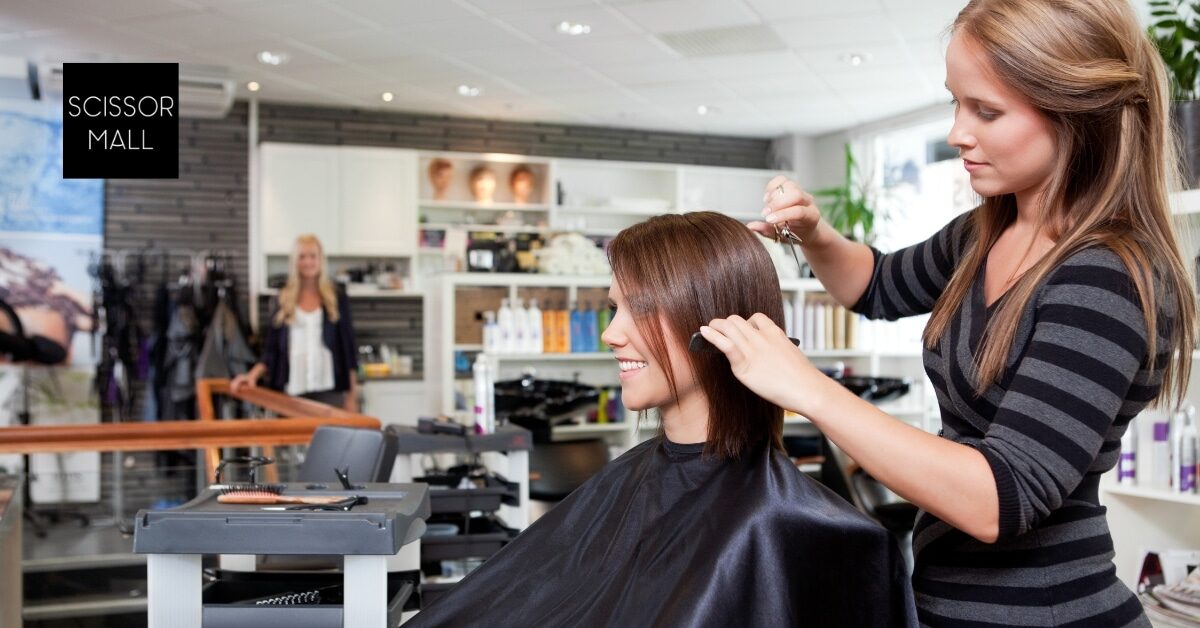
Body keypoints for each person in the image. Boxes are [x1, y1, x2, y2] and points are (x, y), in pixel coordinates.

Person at [699, 0, 1195, 625]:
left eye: (987, 110)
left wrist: (808, 388)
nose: (959, 132)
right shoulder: (985, 233)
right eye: (956, 103)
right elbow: (877, 285)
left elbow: (999, 495)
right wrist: (816, 233)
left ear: (1077, 114)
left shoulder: (1108, 277)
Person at [408, 211, 916, 627]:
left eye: (639, 310)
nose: (611, 334)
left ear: (713, 324)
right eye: (614, 309)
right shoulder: (631, 482)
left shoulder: (785, 527)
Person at [231, 234, 359, 412]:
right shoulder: (282, 299)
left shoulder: (337, 298)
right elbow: (271, 350)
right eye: (302, 256)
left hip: (330, 391)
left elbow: (349, 352)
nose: (308, 262)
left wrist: (352, 397)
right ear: (295, 261)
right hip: (291, 392)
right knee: (291, 440)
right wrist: (251, 376)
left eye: (312, 256)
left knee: (330, 440)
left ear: (320, 260)